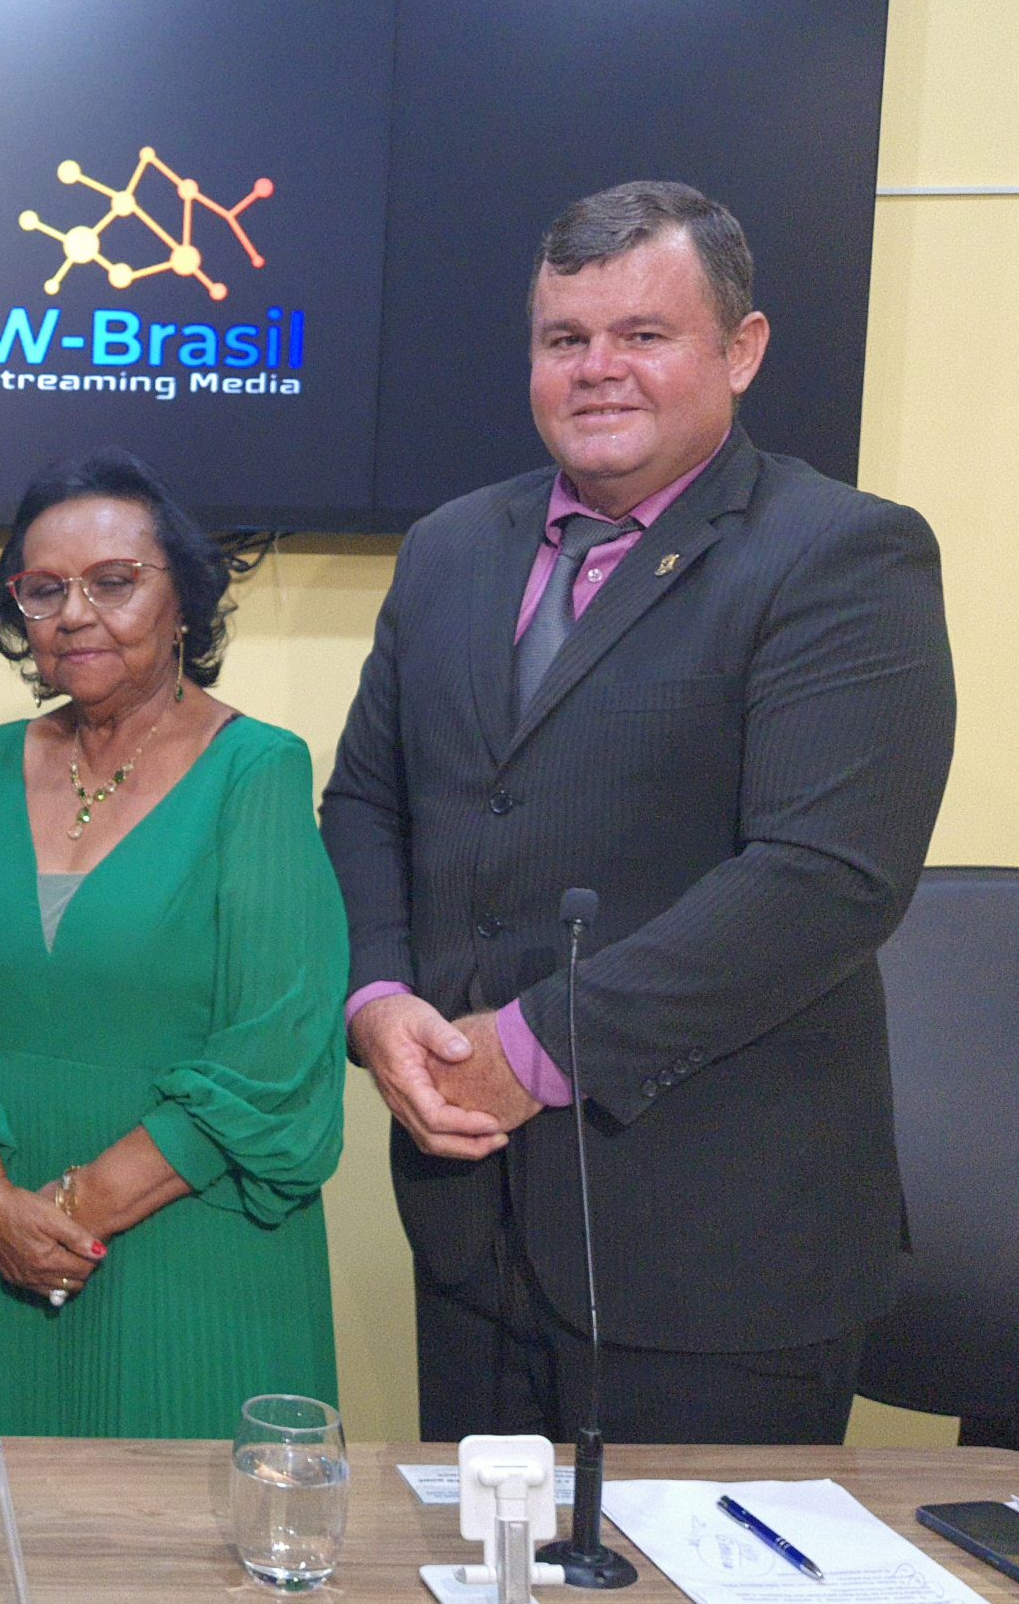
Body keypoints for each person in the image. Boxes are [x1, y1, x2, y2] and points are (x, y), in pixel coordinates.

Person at [320, 180, 957, 1445]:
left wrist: (534, 1046)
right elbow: (368, 803)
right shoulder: (449, 547)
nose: (596, 369)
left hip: (718, 1253)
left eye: (643, 334)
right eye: (565, 338)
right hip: (468, 1223)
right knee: (471, 1551)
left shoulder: (843, 554)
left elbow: (823, 878)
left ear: (741, 349)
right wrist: (376, 1000)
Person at [0, 448, 347, 1437]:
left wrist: (70, 1212)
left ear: (183, 601)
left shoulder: (258, 769)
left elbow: (277, 1048)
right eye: (44, 589)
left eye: (114, 581)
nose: (75, 613)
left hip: (193, 1247)